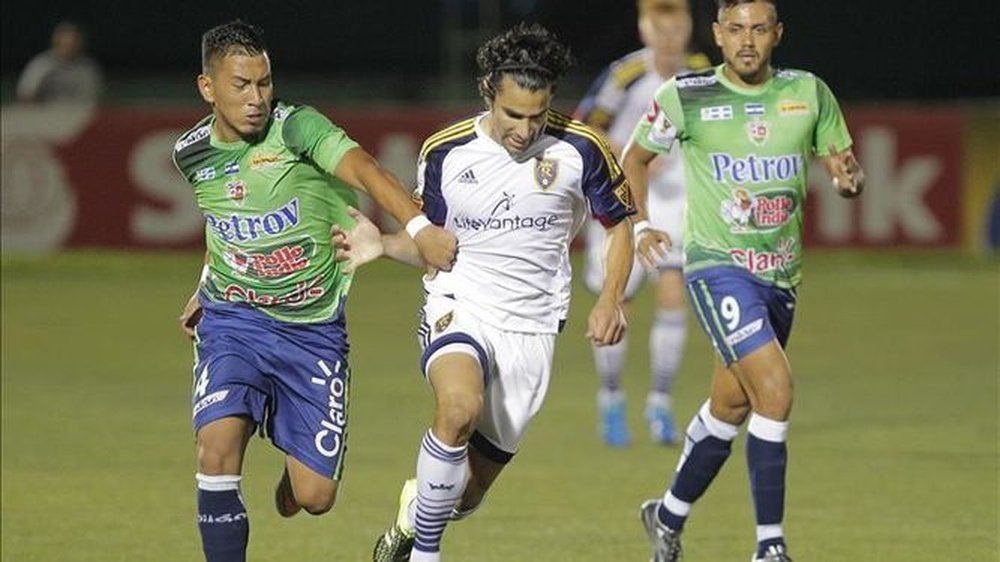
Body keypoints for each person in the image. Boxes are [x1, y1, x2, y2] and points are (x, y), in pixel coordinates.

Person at [335, 23, 635, 562]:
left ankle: (413, 517)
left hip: (533, 328)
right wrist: (383, 243)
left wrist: (611, 296)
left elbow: (618, 228)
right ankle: (426, 554)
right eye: (512, 114)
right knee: (458, 410)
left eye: (536, 115)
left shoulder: (583, 149)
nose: (524, 129)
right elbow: (434, 246)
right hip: (461, 306)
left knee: (463, 496)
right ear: (488, 94)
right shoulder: (446, 152)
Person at [172, 20, 457, 562]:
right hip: (234, 320)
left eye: (264, 83)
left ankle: (292, 456)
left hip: (312, 332)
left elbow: (368, 171)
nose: (257, 99)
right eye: (241, 85)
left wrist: (420, 231)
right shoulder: (191, 154)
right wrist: (206, 283)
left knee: (314, 497)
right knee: (216, 452)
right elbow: (223, 219)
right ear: (208, 88)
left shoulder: (298, 129)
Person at [623, 1, 865, 561]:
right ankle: (769, 547)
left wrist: (850, 180)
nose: (747, 40)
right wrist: (640, 226)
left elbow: (843, 166)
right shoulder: (687, 95)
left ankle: (667, 516)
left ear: (777, 33)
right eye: (735, 29)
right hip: (715, 267)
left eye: (758, 29)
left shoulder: (808, 93)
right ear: (718, 35)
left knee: (731, 406)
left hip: (781, 277)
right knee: (775, 393)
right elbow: (634, 160)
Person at [574, 0, 711, 448]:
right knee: (620, 302)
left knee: (674, 296)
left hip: (677, 200)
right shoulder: (624, 75)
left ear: (688, 28)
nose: (669, 37)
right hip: (625, 198)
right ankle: (612, 400)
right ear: (645, 29)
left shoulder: (700, 73)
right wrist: (632, 160)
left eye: (677, 28)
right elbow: (587, 130)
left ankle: (660, 404)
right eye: (660, 28)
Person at [16, 21, 103, 103]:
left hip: (76, 114)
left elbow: (93, 99)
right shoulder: (41, 64)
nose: (69, 47)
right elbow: (26, 94)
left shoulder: (88, 68)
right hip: (45, 114)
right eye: (65, 43)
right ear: (56, 41)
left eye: (73, 43)